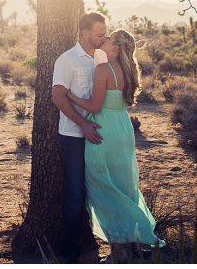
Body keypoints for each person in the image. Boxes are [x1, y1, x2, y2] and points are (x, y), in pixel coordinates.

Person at [63, 28, 163, 262]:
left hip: (103, 128)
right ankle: (132, 242)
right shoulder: (128, 71)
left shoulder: (103, 70)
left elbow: (95, 106)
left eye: (108, 39)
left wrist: (71, 97)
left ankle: (119, 249)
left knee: (102, 186)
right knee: (123, 184)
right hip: (122, 128)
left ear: (116, 48)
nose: (103, 39)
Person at [50, 11, 107, 262]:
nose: (103, 37)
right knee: (74, 192)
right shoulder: (67, 60)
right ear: (84, 32)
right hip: (73, 135)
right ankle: (67, 252)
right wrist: (83, 124)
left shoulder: (102, 57)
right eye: (99, 33)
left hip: (97, 134)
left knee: (96, 189)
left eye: (105, 33)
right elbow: (58, 96)